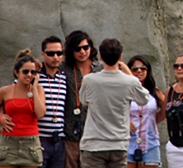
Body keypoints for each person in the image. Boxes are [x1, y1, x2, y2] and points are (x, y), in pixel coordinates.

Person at [78, 38, 150, 168]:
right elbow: (144, 98)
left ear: (100, 56)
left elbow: (83, 101)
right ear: (120, 56)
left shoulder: (89, 80)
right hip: (119, 144)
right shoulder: (130, 82)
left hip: (94, 144)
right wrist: (129, 74)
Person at [0, 49, 47, 168]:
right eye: (25, 71)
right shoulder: (5, 91)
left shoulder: (39, 90)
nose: (29, 75)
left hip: (30, 143)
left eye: (32, 72)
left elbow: (40, 113)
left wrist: (34, 88)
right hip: (8, 143)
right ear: (17, 73)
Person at [64, 31, 103, 168]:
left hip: (95, 134)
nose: (82, 52)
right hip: (70, 134)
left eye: (85, 47)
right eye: (77, 49)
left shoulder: (100, 69)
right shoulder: (64, 69)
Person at [126, 56, 165, 168]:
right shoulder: (124, 90)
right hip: (128, 141)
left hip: (150, 142)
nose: (139, 71)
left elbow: (165, 108)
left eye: (143, 68)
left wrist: (153, 120)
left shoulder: (154, 91)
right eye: (135, 69)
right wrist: (125, 121)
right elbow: (113, 110)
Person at [38, 36, 68, 168]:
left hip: (59, 141)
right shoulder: (34, 76)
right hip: (40, 140)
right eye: (51, 53)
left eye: (59, 53)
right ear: (43, 54)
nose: (55, 57)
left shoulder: (64, 77)